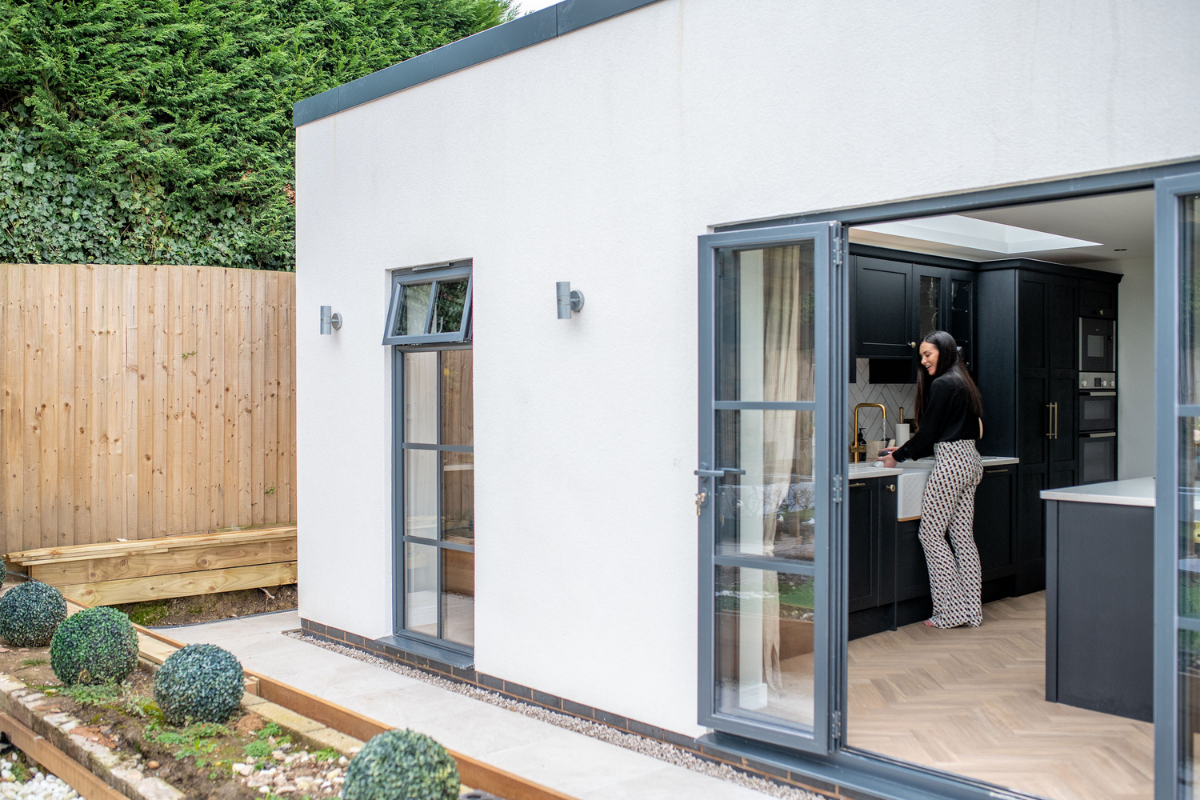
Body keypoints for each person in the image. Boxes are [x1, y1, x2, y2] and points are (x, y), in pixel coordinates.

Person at [881, 331, 985, 629]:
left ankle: (950, 613)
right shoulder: (963, 381)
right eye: (922, 356)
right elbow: (938, 433)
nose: (923, 360)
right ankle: (970, 611)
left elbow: (929, 434)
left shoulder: (942, 383)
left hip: (951, 465)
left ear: (945, 351)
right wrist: (901, 449)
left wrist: (896, 457)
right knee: (963, 538)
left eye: (928, 354)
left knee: (930, 535)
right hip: (971, 462)